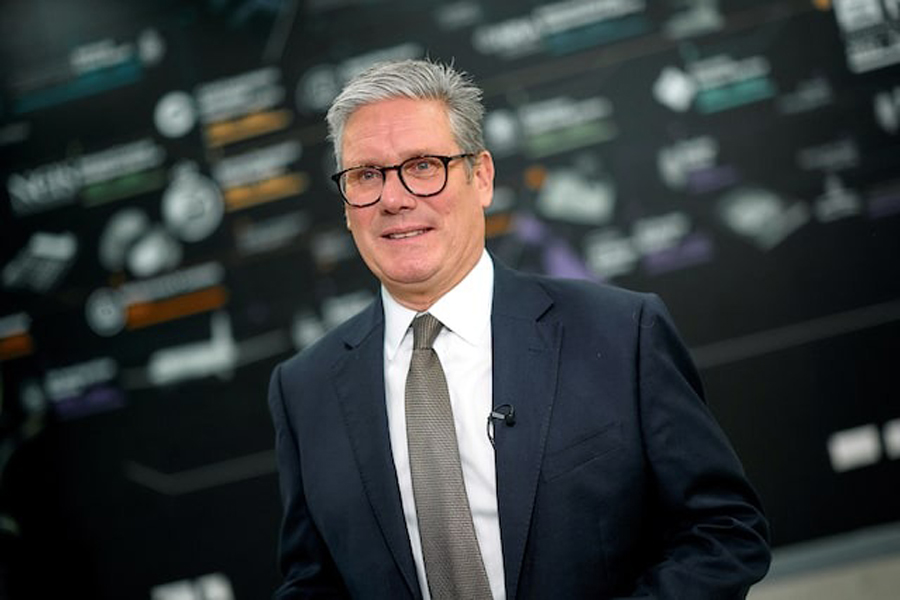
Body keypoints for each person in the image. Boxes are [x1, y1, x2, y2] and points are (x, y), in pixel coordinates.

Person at [267, 59, 771, 600]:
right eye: (366, 175)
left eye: (422, 165)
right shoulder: (304, 390)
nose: (393, 198)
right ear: (346, 205)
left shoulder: (621, 333)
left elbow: (723, 533)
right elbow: (311, 584)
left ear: (480, 177)